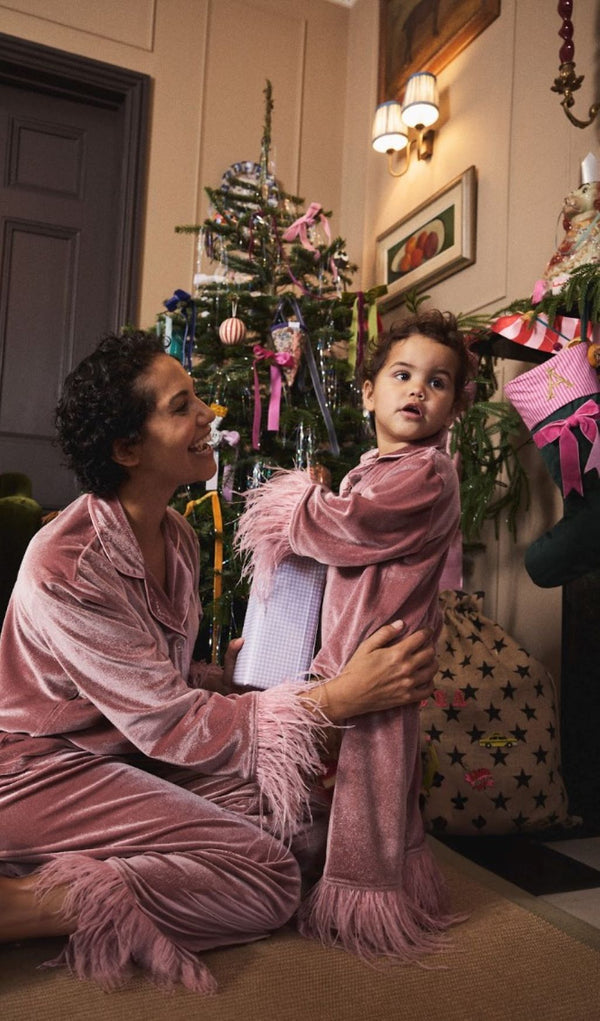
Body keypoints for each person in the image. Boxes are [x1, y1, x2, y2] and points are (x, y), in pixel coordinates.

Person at [0, 330, 439, 994]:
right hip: (41, 772)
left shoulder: (174, 535)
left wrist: (224, 676)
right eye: (183, 405)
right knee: (268, 876)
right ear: (127, 448)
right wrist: (341, 699)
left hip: (128, 755)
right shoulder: (67, 565)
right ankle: (26, 904)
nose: (209, 414)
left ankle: (71, 857)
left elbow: (153, 687)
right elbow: (166, 721)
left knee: (305, 826)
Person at [235, 309, 473, 959]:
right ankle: (337, 867)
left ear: (454, 406)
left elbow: (350, 529)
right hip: (351, 649)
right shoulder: (371, 468)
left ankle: (366, 896)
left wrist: (295, 505)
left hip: (386, 652)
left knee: (373, 778)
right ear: (369, 392)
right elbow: (348, 543)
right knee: (334, 776)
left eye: (438, 381)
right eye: (403, 374)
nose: (418, 390)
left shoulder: (426, 474)